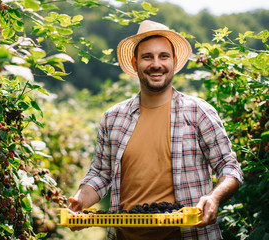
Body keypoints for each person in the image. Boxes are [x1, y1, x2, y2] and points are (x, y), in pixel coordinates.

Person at [68, 20, 243, 239]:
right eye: (147, 57)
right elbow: (100, 174)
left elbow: (229, 167)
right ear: (134, 63)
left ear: (174, 61)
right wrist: (79, 199)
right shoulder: (113, 118)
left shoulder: (199, 113)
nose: (156, 64)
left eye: (163, 56)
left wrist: (214, 198)